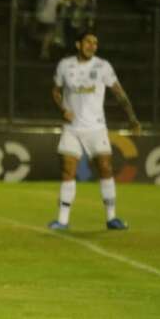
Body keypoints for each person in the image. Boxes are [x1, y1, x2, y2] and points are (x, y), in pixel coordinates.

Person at [48, 32, 141, 231]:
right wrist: (63, 110)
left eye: (95, 43)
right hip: (72, 129)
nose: (92, 45)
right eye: (88, 42)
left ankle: (111, 218)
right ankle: (62, 221)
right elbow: (55, 91)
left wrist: (132, 118)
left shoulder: (102, 66)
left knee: (106, 169)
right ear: (78, 44)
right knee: (67, 171)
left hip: (96, 128)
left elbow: (119, 92)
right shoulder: (65, 65)